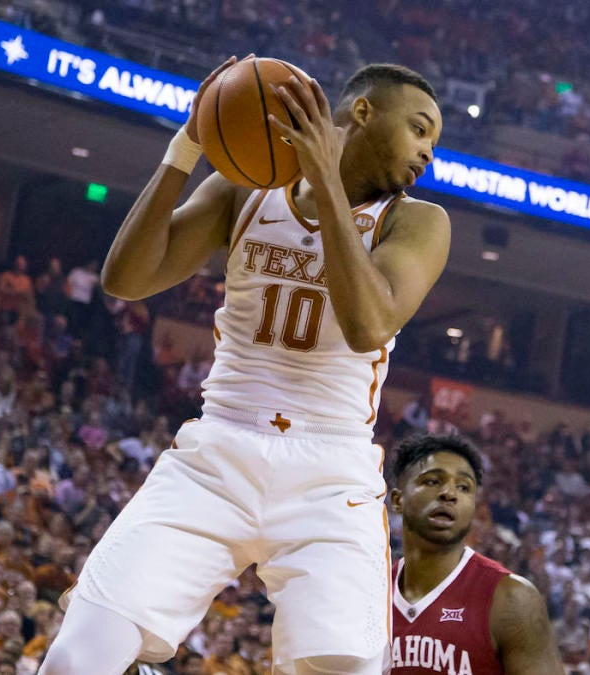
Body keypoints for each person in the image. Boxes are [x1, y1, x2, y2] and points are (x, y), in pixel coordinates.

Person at [41, 57, 450, 675]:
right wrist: (186, 145)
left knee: (349, 670)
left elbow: (370, 323)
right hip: (218, 451)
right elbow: (126, 279)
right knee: (77, 658)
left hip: (330, 470)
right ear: (363, 112)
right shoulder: (243, 189)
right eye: (420, 129)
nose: (427, 153)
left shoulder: (416, 221)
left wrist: (325, 179)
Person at [389, 435, 561, 674]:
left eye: (463, 487)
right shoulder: (369, 593)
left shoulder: (512, 599)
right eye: (432, 481)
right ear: (398, 500)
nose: (449, 494)